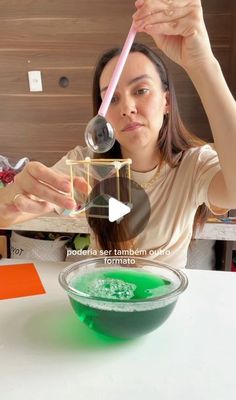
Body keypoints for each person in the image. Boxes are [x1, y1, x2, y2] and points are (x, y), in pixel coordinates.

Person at [0, 0, 235, 267]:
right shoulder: (88, 167)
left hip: (161, 300)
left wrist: (202, 62)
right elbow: (6, 214)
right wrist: (13, 199)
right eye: (112, 99)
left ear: (167, 101)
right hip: (102, 295)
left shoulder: (193, 165)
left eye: (141, 90)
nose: (127, 108)